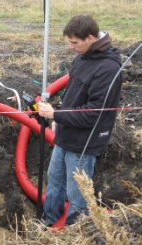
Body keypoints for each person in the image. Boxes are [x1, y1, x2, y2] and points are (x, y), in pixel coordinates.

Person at [38, 14, 122, 226]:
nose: (71, 47)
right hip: (66, 134)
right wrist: (60, 119)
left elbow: (94, 113)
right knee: (55, 181)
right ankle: (50, 222)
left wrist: (55, 115)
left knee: (78, 193)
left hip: (85, 141)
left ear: (90, 38)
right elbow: (72, 95)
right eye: (69, 41)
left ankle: (76, 231)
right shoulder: (83, 58)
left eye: (74, 42)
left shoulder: (108, 69)